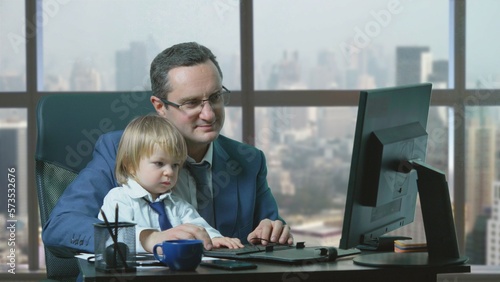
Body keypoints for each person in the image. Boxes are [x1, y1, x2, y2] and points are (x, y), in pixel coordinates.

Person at [43, 42, 292, 257]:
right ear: (160, 106)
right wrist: (146, 238)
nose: (208, 114)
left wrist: (274, 232)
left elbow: (269, 237)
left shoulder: (249, 161)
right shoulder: (120, 150)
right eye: (192, 103)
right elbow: (61, 227)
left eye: (215, 97)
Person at [99, 114, 243, 252]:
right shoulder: (119, 198)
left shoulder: (176, 204)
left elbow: (197, 226)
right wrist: (149, 239)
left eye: (175, 165)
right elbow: (114, 236)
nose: (170, 172)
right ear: (130, 165)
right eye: (159, 163)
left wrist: (214, 238)